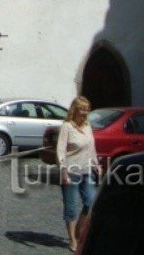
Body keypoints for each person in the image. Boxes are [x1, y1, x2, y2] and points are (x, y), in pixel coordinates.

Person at [56, 96, 101, 252]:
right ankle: (73, 239)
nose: (85, 112)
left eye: (87, 109)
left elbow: (91, 147)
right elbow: (60, 150)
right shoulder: (67, 127)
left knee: (91, 202)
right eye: (82, 109)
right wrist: (63, 171)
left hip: (87, 170)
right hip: (70, 171)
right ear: (74, 110)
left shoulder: (88, 126)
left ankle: (78, 231)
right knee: (71, 207)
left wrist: (96, 164)